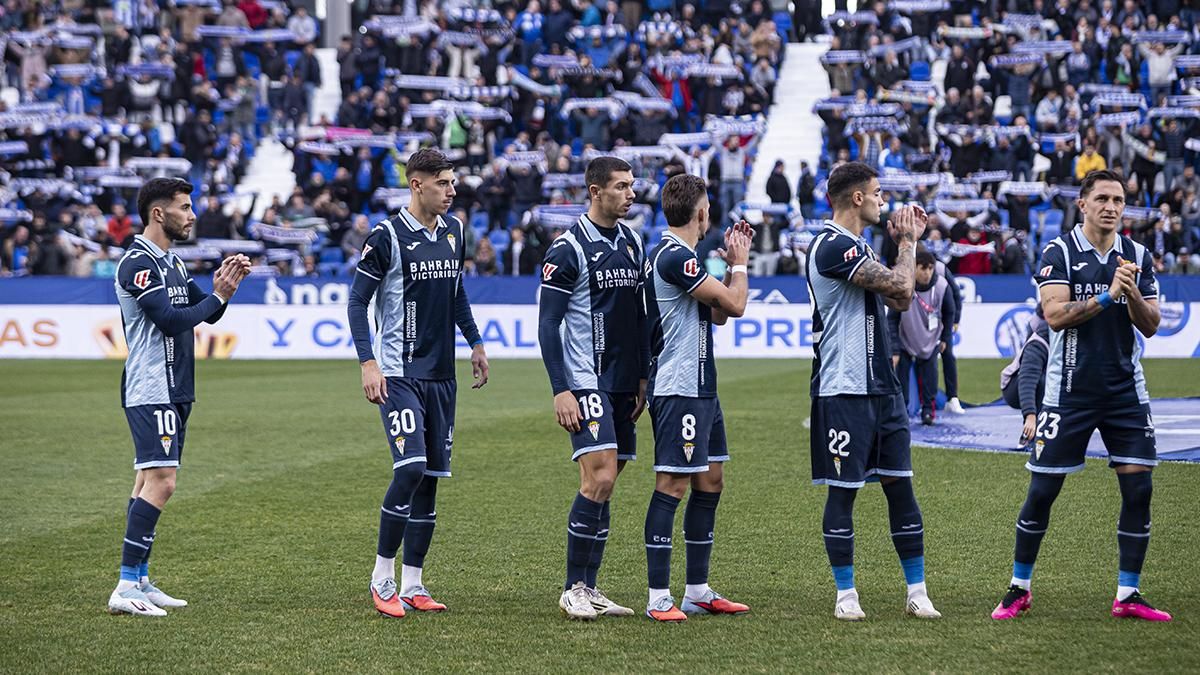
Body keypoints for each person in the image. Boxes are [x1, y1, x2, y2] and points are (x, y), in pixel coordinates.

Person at [992, 169, 1170, 622]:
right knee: (1042, 490)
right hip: (1068, 392)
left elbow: (1150, 323)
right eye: (1103, 198)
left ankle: (1128, 594)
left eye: (1119, 200)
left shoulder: (1137, 255)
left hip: (1125, 391)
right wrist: (1109, 296)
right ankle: (1019, 587)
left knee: (1139, 488)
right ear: (1083, 204)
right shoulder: (1060, 251)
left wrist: (1130, 294)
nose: (1112, 207)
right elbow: (1054, 315)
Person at [347, 148, 491, 619]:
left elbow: (457, 292)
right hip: (399, 372)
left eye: (452, 183)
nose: (452, 191)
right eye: (443, 183)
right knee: (409, 469)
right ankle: (381, 577)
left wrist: (475, 342)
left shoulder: (455, 230)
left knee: (429, 480)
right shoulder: (386, 237)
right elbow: (356, 303)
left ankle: (413, 583)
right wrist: (368, 363)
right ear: (417, 184)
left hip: (441, 376)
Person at [108, 177, 252, 617]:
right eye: (185, 207)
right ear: (159, 213)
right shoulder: (139, 263)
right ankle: (124, 586)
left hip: (177, 387)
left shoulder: (172, 263)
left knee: (146, 482)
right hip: (152, 387)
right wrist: (218, 295)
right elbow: (173, 321)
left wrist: (224, 288)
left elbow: (205, 312)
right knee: (163, 482)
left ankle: (140, 579)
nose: (192, 215)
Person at [806, 162, 940, 621]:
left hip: (882, 385)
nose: (885, 201)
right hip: (843, 388)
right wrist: (907, 242)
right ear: (857, 198)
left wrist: (904, 247)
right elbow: (903, 283)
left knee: (900, 487)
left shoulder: (858, 245)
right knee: (843, 493)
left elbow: (901, 297)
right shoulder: (832, 246)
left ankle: (917, 591)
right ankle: (846, 595)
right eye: (879, 192)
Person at [640, 174, 754, 622]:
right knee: (672, 485)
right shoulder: (673, 257)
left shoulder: (685, 259)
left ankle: (698, 590)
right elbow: (738, 306)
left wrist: (728, 272)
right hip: (678, 386)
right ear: (701, 212)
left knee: (711, 481)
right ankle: (657, 597)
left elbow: (720, 315)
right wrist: (740, 264)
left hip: (702, 386)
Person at [538, 156, 647, 621]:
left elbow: (639, 317)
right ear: (595, 191)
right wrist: (561, 389)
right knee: (597, 478)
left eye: (631, 186)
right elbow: (547, 325)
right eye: (621, 186)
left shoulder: (632, 241)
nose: (631, 194)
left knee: (609, 483)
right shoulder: (568, 248)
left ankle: (591, 586)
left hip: (625, 383)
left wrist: (643, 376)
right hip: (585, 379)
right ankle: (572, 588)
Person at [888, 249, 955, 426]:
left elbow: (950, 312)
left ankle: (928, 412)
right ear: (915, 267)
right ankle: (901, 412)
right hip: (905, 339)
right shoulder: (904, 284)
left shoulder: (941, 286)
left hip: (930, 339)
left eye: (930, 268)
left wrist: (945, 337)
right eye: (923, 268)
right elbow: (892, 319)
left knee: (930, 379)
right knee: (901, 379)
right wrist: (894, 348)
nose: (927, 273)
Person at [1001, 305, 1049, 449]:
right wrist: (1030, 415)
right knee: (1042, 380)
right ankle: (1031, 434)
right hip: (1014, 386)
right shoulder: (1039, 341)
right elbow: (1027, 379)